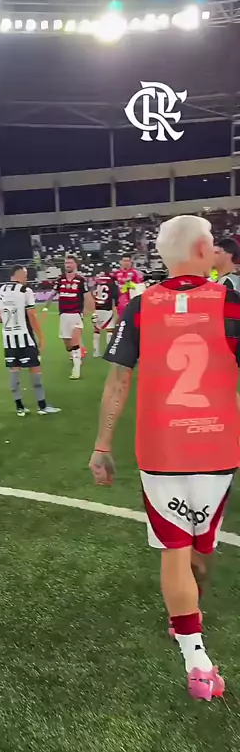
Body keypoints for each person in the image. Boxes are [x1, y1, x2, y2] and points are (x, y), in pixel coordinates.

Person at [89, 215, 240, 702]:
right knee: (200, 546)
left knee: (174, 549)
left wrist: (102, 445)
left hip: (161, 450)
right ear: (199, 250)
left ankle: (194, 653)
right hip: (217, 447)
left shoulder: (139, 306)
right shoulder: (230, 302)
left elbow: (118, 380)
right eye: (211, 243)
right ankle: (192, 631)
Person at [0, 266, 60, 416]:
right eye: (25, 275)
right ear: (19, 274)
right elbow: (32, 316)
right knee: (35, 369)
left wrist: (9, 321)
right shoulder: (25, 291)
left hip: (9, 340)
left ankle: (19, 408)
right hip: (25, 338)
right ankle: (42, 406)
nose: (27, 278)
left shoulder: (1, 291)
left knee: (14, 371)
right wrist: (41, 337)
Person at [42, 256, 93, 379]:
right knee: (67, 342)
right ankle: (75, 356)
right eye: (66, 263)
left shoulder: (81, 280)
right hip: (63, 314)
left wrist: (90, 310)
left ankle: (76, 369)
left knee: (75, 340)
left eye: (70, 262)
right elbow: (53, 294)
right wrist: (46, 307)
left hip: (76, 313)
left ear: (75, 264)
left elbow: (87, 296)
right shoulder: (60, 279)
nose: (67, 265)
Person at [91, 267, 119, 358]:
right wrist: (116, 305)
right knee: (109, 330)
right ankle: (109, 352)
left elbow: (92, 292)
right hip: (107, 308)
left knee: (96, 329)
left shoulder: (97, 280)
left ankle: (95, 351)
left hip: (97, 307)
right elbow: (115, 295)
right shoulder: (111, 280)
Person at [113, 256, 144, 321]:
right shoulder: (115, 274)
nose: (126, 263)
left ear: (131, 262)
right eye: (124, 261)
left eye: (128, 261)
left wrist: (131, 285)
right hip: (119, 300)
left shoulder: (136, 273)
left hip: (131, 300)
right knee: (120, 319)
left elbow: (140, 287)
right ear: (120, 262)